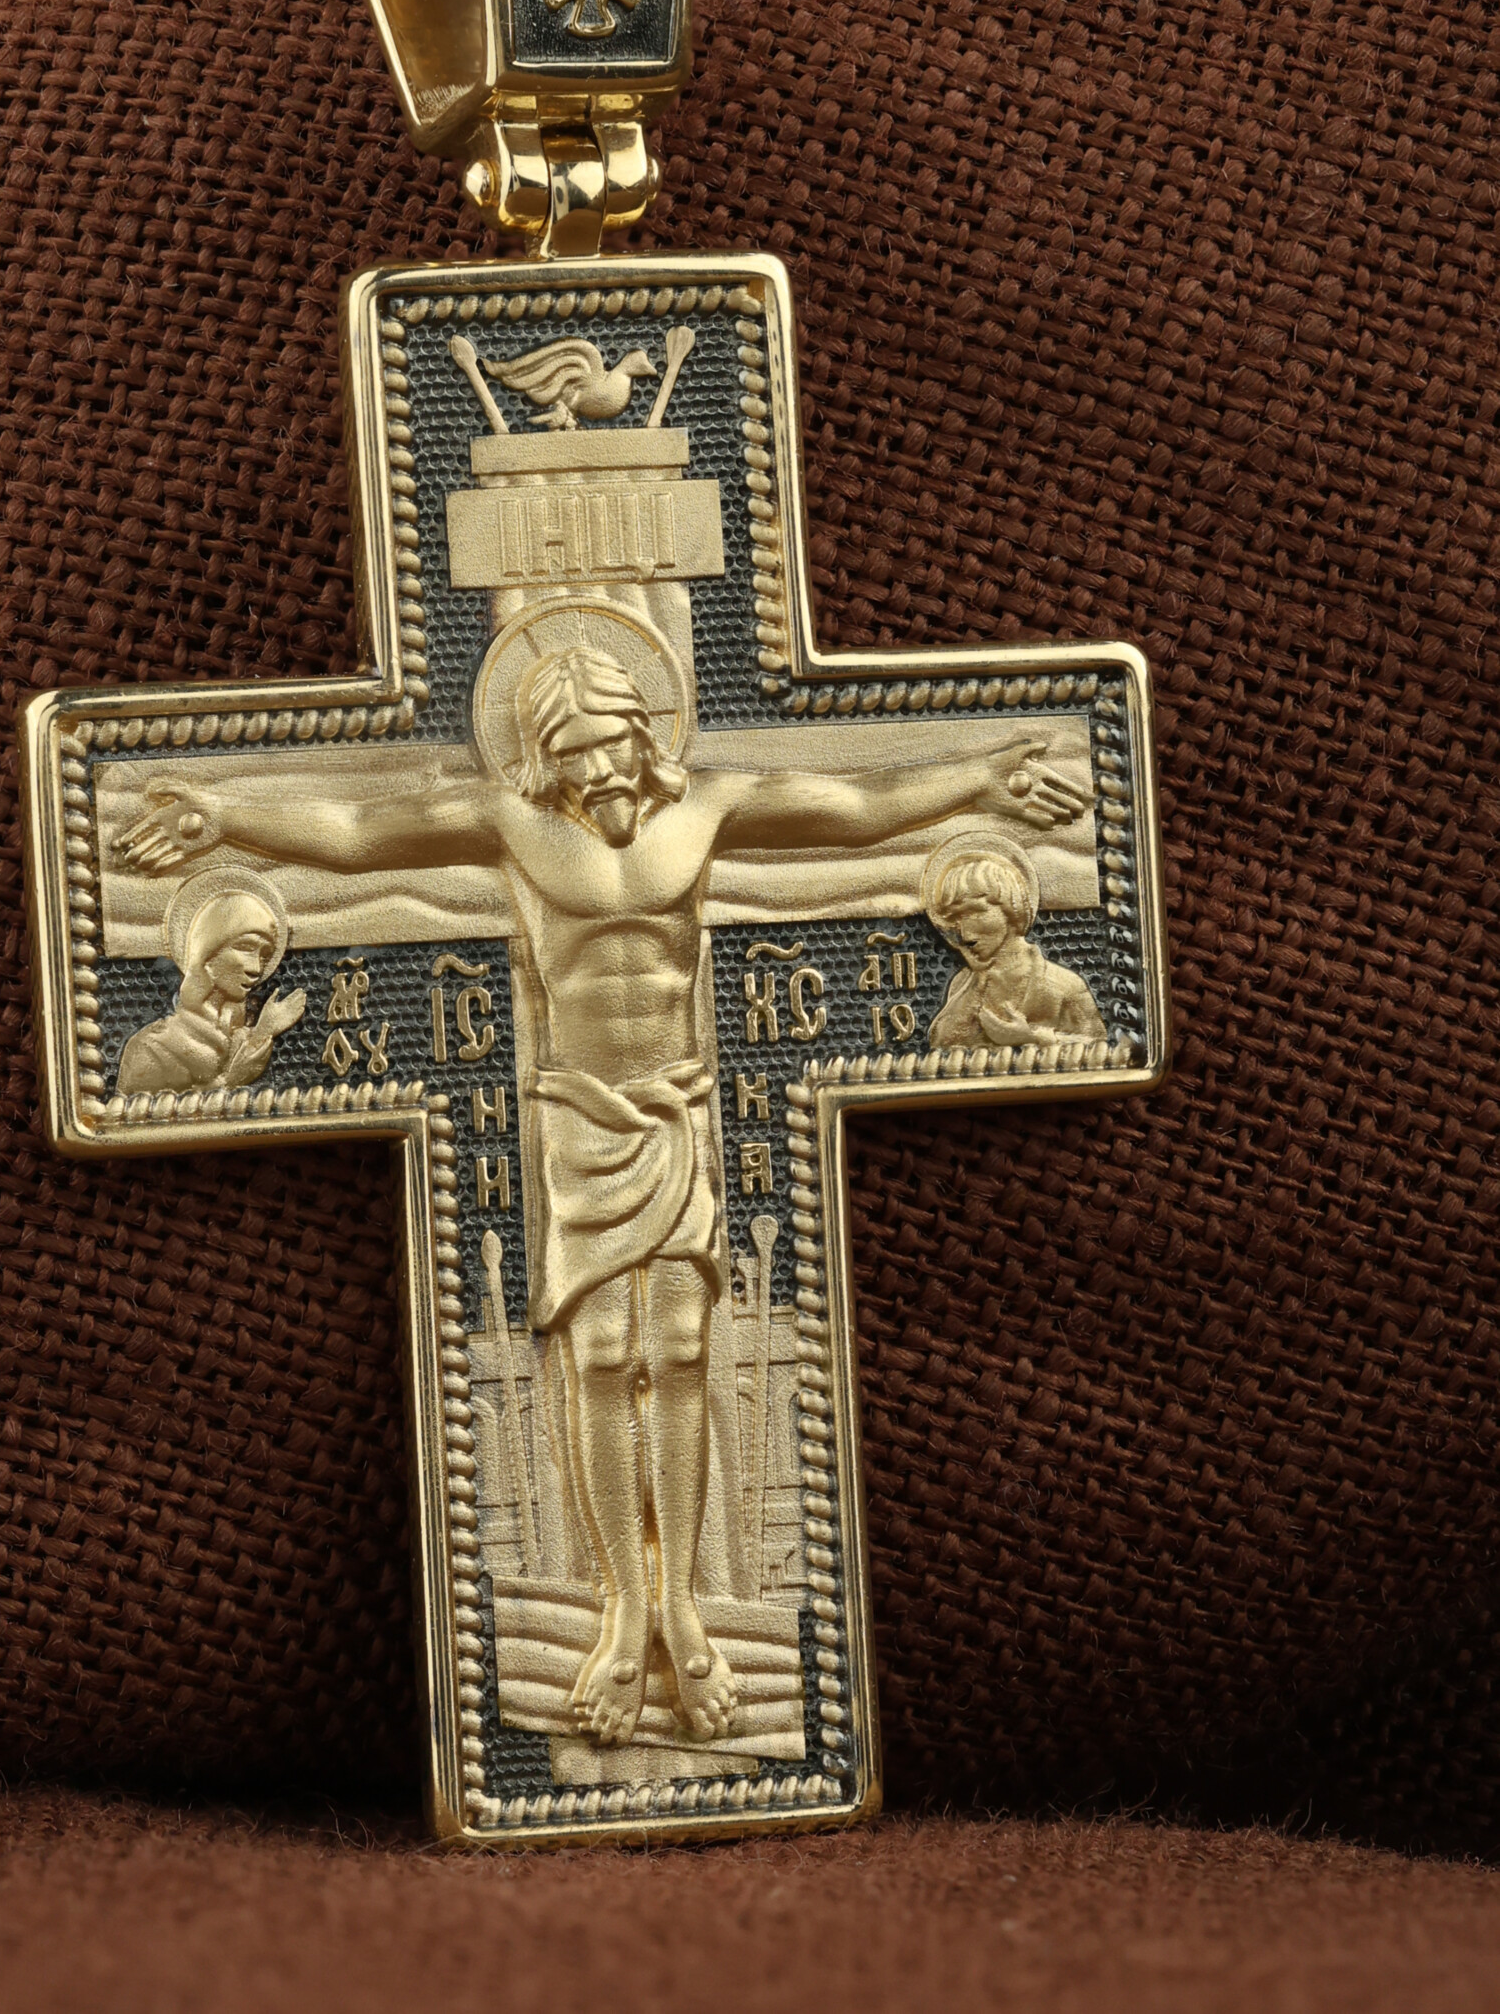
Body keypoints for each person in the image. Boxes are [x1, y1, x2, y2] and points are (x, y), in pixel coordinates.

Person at [120, 646, 1087, 1747]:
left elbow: (856, 808)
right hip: (581, 1119)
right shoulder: (511, 822)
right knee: (595, 1355)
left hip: (675, 1113)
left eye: (617, 746)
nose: (606, 775)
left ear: (645, 729)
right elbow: (354, 830)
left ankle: (681, 1606)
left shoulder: (708, 804)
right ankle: (625, 1608)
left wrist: (979, 776)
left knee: (678, 1347)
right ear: (544, 757)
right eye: (578, 757)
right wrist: (223, 814)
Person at [115, 886, 307, 1096]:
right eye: (245, 947)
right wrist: (229, 1081)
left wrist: (264, 1030)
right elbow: (139, 1114)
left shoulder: (236, 1036)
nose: (257, 969)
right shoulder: (151, 1048)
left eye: (264, 956)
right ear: (208, 950)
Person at [924, 841, 1106, 1050]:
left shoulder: (1064, 986)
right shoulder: (963, 983)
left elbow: (1100, 1046)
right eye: (956, 919)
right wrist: (977, 983)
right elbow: (939, 1045)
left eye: (975, 913)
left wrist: (1033, 1037)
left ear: (1011, 907)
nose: (964, 933)